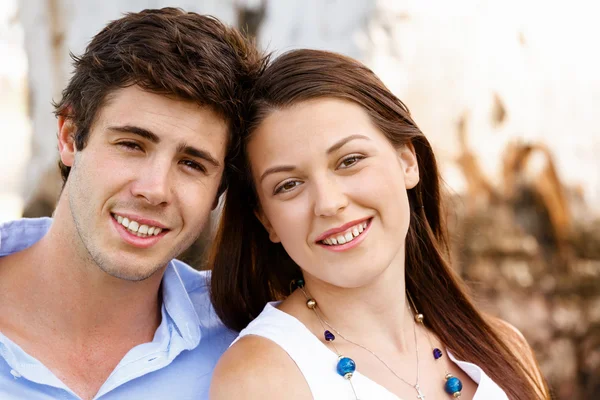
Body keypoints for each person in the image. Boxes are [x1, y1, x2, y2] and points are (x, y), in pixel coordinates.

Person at [208, 49, 551, 399]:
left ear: (407, 161)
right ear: (267, 220)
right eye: (289, 185)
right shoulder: (261, 377)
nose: (329, 203)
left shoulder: (503, 347)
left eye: (349, 161)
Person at [0, 8, 262, 400]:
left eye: (192, 163)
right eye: (131, 145)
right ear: (70, 137)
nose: (155, 189)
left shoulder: (249, 342)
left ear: (219, 190)